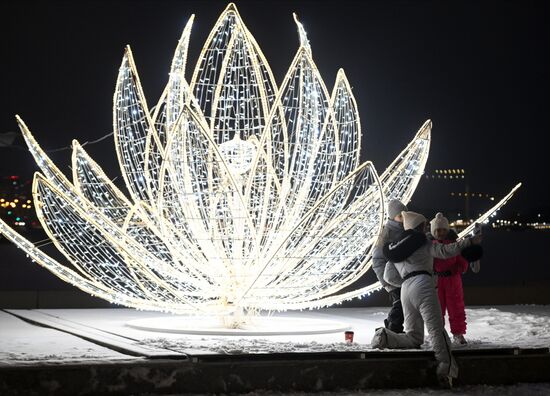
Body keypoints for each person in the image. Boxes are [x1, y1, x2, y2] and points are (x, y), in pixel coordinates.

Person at [371, 211, 482, 388]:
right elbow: (446, 251)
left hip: (406, 290)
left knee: (414, 336)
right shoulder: (424, 242)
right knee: (436, 330)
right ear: (420, 226)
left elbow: (389, 276)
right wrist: (468, 241)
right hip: (423, 284)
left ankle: (385, 337)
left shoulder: (397, 249)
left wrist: (407, 280)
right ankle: (446, 370)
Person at [430, 212, 469, 345]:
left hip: (453, 280)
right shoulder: (430, 246)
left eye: (443, 230)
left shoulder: (455, 245)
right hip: (436, 281)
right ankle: (438, 334)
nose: (440, 232)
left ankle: (458, 334)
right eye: (437, 230)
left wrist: (455, 270)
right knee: (436, 310)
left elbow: (463, 263)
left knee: (456, 308)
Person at [371, 199, 407, 333]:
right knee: (399, 304)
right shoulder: (386, 234)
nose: (403, 218)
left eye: (405, 215)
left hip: (405, 277)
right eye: (400, 216)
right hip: (391, 278)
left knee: (404, 304)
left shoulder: (407, 230)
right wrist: (386, 283)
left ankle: (392, 328)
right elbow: (377, 261)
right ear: (392, 216)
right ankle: (394, 329)